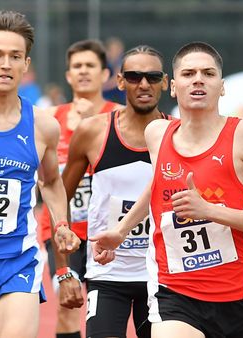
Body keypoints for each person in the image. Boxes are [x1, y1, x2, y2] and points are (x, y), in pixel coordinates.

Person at [90, 41, 243, 338]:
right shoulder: (157, 134)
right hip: (173, 293)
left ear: (221, 86)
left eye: (208, 74)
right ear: (173, 87)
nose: (198, 79)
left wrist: (209, 211)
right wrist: (122, 230)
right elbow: (157, 185)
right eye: (189, 73)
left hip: (236, 296)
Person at [0, 10, 80, 338]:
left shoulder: (43, 126)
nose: (5, 64)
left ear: (26, 64)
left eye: (15, 56)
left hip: (14, 260)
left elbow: (50, 181)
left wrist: (61, 222)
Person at [62, 44, 169, 338]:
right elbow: (61, 197)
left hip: (161, 275)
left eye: (152, 76)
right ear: (120, 82)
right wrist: (64, 270)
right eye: (134, 77)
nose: (144, 84)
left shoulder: (179, 134)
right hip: (107, 274)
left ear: (165, 82)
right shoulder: (92, 132)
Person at [39, 39, 123, 338]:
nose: (83, 71)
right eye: (77, 66)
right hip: (63, 232)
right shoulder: (49, 120)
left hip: (108, 231)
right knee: (67, 305)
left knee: (109, 310)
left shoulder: (120, 117)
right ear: (68, 75)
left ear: (105, 74)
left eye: (90, 66)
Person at [103, 37, 126, 105]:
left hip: (120, 99)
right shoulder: (103, 63)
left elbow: (116, 80)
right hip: (106, 98)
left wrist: (99, 88)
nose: (116, 52)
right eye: (113, 49)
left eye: (118, 49)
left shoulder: (121, 62)